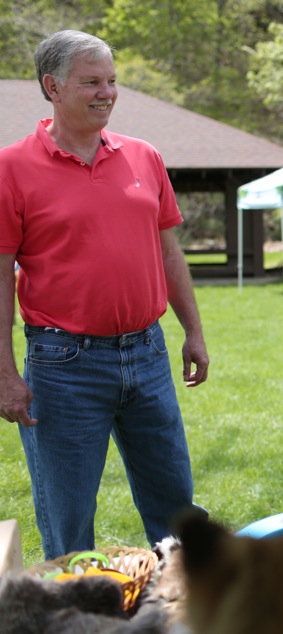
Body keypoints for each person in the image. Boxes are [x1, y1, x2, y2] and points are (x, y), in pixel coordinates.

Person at [0, 30, 210, 559]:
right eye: (92, 82)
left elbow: (169, 254)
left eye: (112, 81)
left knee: (176, 508)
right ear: (52, 86)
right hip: (62, 366)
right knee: (68, 521)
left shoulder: (144, 156)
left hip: (148, 353)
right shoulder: (11, 168)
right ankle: (76, 602)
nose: (107, 93)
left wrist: (193, 331)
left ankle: (184, 597)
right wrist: (4, 373)